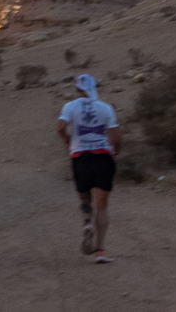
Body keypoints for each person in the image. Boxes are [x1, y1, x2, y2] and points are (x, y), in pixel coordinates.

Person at [56, 73, 121, 264]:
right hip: (103, 157)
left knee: (85, 198)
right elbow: (116, 139)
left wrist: (68, 140)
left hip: (80, 157)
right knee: (102, 206)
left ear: (77, 88)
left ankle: (87, 223)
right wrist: (116, 152)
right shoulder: (106, 108)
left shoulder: (70, 106)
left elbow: (60, 127)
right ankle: (100, 251)